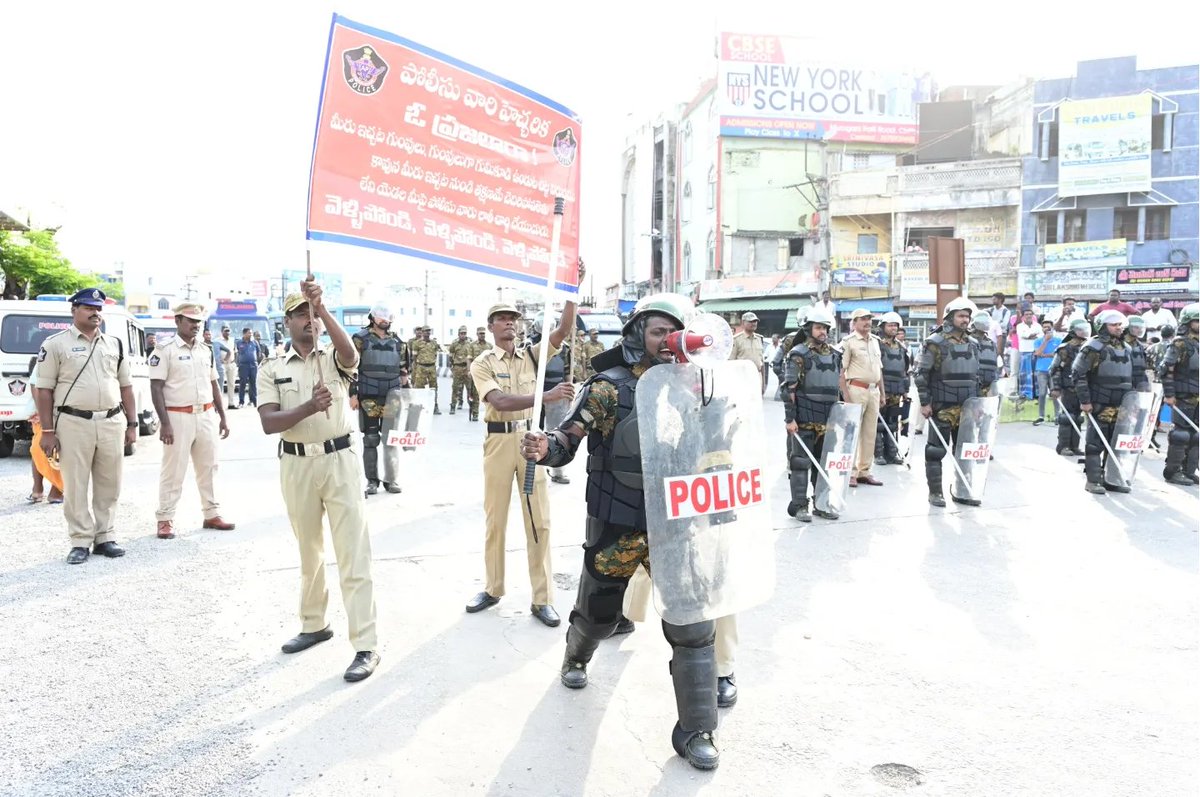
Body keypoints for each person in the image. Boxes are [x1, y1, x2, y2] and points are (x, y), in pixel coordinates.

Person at [520, 293, 722, 771]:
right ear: (637, 336)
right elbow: (567, 441)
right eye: (657, 331)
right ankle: (576, 659)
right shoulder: (608, 388)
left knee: (693, 627)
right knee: (599, 613)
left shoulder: (696, 387)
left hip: (675, 526)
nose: (668, 340)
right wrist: (543, 447)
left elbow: (719, 448)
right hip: (620, 524)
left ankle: (697, 729)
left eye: (674, 332)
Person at [257, 285, 381, 683]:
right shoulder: (272, 366)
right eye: (300, 313)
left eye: (313, 314)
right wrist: (309, 406)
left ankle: (365, 643)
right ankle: (314, 625)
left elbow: (351, 354)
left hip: (339, 460)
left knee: (352, 552)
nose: (308, 320)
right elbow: (268, 423)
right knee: (308, 551)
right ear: (287, 322)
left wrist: (324, 309)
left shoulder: (334, 358)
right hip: (296, 464)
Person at [466, 300, 576, 626]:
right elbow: (498, 400)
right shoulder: (482, 363)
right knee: (495, 519)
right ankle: (493, 588)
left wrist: (573, 291)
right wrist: (547, 396)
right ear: (491, 326)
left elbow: (563, 330)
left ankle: (542, 599)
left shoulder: (533, 356)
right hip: (498, 442)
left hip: (531, 441)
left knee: (538, 521)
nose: (508, 323)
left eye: (512, 318)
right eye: (501, 318)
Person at [35, 288, 138, 564]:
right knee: (76, 484)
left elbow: (126, 386)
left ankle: (105, 536)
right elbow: (44, 390)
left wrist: (132, 423)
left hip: (111, 421)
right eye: (89, 308)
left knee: (110, 483)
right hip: (73, 422)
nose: (96, 313)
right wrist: (47, 431)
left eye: (98, 309)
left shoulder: (114, 344)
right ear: (74, 311)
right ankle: (80, 540)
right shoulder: (55, 344)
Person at [149, 303, 234, 539]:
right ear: (177, 321)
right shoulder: (164, 350)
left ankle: (211, 513)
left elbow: (214, 383)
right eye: (190, 321)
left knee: (209, 466)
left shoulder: (206, 349)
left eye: (199, 322)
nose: (196, 326)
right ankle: (165, 518)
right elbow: (156, 387)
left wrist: (223, 416)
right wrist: (164, 423)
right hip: (177, 416)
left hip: (205, 414)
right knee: (173, 469)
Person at [915, 297, 989, 508]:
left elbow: (976, 377)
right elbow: (921, 375)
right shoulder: (935, 342)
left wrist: (978, 405)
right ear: (950, 317)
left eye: (967, 316)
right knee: (935, 451)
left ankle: (962, 489)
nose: (965, 320)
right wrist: (925, 402)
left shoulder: (974, 344)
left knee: (965, 451)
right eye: (961, 316)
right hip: (942, 406)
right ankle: (935, 493)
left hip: (967, 408)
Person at [1072, 310, 1149, 494]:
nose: (1118, 327)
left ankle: (1112, 479)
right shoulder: (1093, 347)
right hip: (1100, 401)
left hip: (1123, 403)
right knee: (1095, 443)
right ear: (1103, 326)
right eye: (1113, 324)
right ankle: (1093, 481)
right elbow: (1078, 374)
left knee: (1117, 443)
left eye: (1119, 324)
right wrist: (1085, 400)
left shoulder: (1127, 348)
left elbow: (1135, 375)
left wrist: (1139, 398)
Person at [783, 306, 842, 522]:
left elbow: (838, 387)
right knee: (800, 462)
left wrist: (842, 416)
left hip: (828, 419)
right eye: (818, 327)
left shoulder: (836, 355)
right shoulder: (798, 354)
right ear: (809, 329)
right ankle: (799, 506)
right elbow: (789, 389)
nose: (823, 332)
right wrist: (790, 419)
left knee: (824, 462)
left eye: (825, 328)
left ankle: (821, 503)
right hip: (804, 419)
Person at [350, 303, 408, 496]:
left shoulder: (398, 342)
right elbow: (351, 369)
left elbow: (404, 371)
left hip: (392, 397)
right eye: (381, 317)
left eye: (388, 317)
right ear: (372, 318)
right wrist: (353, 394)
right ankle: (372, 481)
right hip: (368, 396)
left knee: (390, 440)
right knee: (371, 439)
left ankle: (391, 480)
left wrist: (407, 395)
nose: (385, 320)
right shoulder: (360, 339)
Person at [840, 308, 884, 487]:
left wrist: (882, 393)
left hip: (873, 391)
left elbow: (879, 369)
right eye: (863, 319)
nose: (867, 322)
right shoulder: (848, 342)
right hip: (855, 389)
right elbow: (841, 372)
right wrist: (846, 396)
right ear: (854, 322)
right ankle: (849, 472)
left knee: (869, 433)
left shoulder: (875, 341)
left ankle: (864, 471)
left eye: (869, 319)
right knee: (852, 433)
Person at [528, 311, 572, 484]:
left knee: (558, 433)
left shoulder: (564, 347)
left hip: (558, 395)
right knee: (533, 431)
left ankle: (558, 470)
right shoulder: (528, 346)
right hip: (534, 395)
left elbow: (567, 371)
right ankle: (531, 469)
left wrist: (569, 390)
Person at [1159, 303, 1199, 485]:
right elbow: (1167, 370)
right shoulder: (1179, 343)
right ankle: (1173, 471)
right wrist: (1169, 394)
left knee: (1197, 436)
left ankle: (1189, 470)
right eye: (1197, 321)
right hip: (1183, 396)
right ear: (1188, 322)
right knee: (1181, 435)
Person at [1049, 318, 1092, 456]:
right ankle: (1063, 446)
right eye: (1080, 329)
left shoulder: (1089, 347)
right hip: (1069, 388)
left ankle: (1075, 446)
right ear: (1073, 331)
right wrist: (1056, 388)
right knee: (1067, 417)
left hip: (1084, 388)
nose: (1084, 331)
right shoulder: (1065, 348)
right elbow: (1055, 369)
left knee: (1078, 418)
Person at [874, 312, 910, 465]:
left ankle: (892, 453)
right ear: (883, 327)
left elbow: (905, 371)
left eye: (895, 325)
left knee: (893, 423)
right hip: (881, 390)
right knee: (878, 424)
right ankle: (878, 454)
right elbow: (876, 369)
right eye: (890, 325)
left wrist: (905, 391)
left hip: (897, 391)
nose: (893, 328)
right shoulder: (877, 345)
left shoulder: (902, 347)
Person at [1032, 320, 1062, 425]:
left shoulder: (1059, 340)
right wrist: (1046, 341)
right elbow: (1038, 353)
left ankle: (1057, 416)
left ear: (1052, 327)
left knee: (1055, 393)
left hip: (1054, 370)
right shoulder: (1038, 341)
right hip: (1041, 370)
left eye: (1048, 327)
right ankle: (1041, 416)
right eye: (1044, 327)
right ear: (1042, 328)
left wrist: (1046, 355)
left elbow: (1058, 354)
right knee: (1042, 393)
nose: (1047, 329)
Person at [730, 311, 766, 393]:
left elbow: (761, 362)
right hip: (741, 378)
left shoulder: (759, 339)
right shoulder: (736, 340)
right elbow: (730, 363)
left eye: (755, 321)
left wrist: (763, 384)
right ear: (743, 323)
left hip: (756, 377)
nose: (753, 324)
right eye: (750, 321)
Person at [410, 326, 443, 414]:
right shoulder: (417, 343)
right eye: (425, 331)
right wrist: (416, 369)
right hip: (421, 367)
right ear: (422, 332)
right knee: (419, 388)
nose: (427, 333)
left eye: (429, 331)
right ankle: (419, 406)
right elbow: (414, 357)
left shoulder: (434, 343)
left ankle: (435, 406)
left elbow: (435, 354)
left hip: (432, 367)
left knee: (434, 387)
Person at [968, 311, 999, 397]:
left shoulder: (991, 343)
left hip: (988, 386)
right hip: (972, 386)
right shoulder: (967, 340)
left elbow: (995, 367)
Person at [464, 326, 490, 421]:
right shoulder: (472, 345)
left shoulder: (489, 346)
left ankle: (490, 414)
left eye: (483, 333)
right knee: (474, 394)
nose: (482, 335)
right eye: (480, 333)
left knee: (489, 394)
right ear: (477, 334)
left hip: (487, 372)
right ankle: (475, 413)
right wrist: (469, 370)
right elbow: (469, 359)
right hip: (476, 372)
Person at [446, 325, 474, 415]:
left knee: (470, 388)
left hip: (467, 368)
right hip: (457, 367)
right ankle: (453, 406)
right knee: (455, 388)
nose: (463, 335)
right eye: (461, 333)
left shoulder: (470, 343)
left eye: (465, 333)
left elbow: (472, 356)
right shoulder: (454, 344)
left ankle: (471, 406)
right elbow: (450, 356)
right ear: (458, 334)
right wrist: (452, 366)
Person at [1014, 308, 1041, 399]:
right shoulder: (1019, 326)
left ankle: (1037, 393)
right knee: (1025, 373)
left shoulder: (1037, 325)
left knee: (1036, 374)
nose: (1029, 316)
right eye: (1026, 314)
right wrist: (1031, 335)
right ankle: (1026, 393)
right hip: (1025, 352)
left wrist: (1030, 335)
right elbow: (1024, 335)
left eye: (1030, 314)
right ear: (1023, 316)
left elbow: (1039, 337)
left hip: (1036, 352)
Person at [235, 327, 260, 407]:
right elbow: (236, 353)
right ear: (244, 334)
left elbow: (259, 353)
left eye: (251, 333)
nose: (251, 334)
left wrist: (256, 361)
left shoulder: (254, 342)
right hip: (243, 366)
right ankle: (241, 402)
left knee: (253, 384)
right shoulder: (239, 343)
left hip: (253, 365)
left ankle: (254, 401)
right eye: (249, 333)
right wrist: (238, 363)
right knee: (242, 384)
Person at [219, 326, 237, 409]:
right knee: (221, 384)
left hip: (231, 364)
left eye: (229, 331)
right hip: (222, 364)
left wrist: (235, 361)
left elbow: (235, 351)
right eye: (226, 331)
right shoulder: (218, 341)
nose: (227, 332)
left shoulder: (232, 340)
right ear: (222, 331)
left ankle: (231, 403)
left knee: (232, 384)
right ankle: (220, 404)